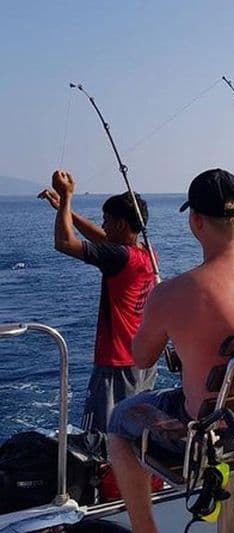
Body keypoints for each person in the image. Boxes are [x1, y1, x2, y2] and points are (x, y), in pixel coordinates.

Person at [107, 168, 234, 533]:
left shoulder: (172, 293)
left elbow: (141, 358)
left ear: (195, 221)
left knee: (120, 421)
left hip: (205, 435)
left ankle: (144, 529)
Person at [38, 170, 157, 433]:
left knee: (103, 435)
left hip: (115, 363)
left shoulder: (118, 257)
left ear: (122, 225)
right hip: (142, 360)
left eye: (107, 220)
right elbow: (102, 239)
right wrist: (63, 208)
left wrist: (67, 196)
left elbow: (64, 243)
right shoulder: (145, 253)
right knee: (133, 431)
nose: (103, 225)